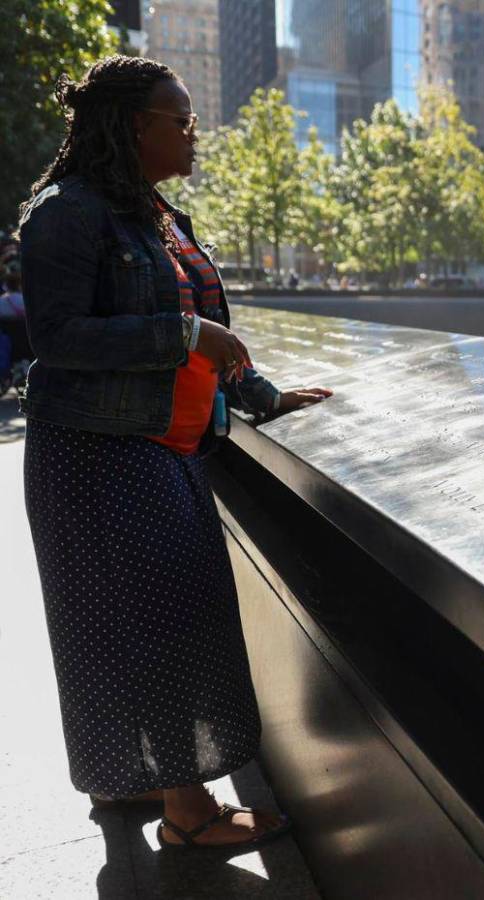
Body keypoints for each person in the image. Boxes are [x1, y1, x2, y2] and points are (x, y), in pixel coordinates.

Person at [18, 55, 334, 853]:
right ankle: (188, 814)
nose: (195, 134)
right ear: (133, 126)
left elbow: (208, 323)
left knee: (134, 626)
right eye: (181, 120)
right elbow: (56, 338)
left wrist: (263, 395)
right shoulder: (68, 211)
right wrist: (185, 336)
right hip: (100, 454)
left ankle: (127, 778)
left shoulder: (156, 214)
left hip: (166, 448)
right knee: (149, 630)